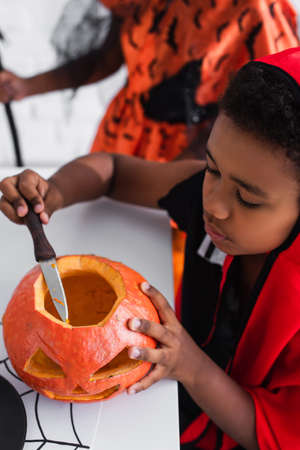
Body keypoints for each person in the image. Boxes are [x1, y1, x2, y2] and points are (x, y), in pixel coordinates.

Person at [1, 46, 300, 448]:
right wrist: (53, 193)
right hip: (162, 400)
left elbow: (272, 433)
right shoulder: (213, 194)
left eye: (247, 199)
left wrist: (192, 368)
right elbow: (115, 171)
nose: (213, 204)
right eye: (212, 168)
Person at [0, 0, 298, 161]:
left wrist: (192, 169)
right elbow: (104, 59)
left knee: (169, 259)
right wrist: (25, 86)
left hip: (196, 152)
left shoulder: (256, 8)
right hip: (123, 138)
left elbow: (261, 107)